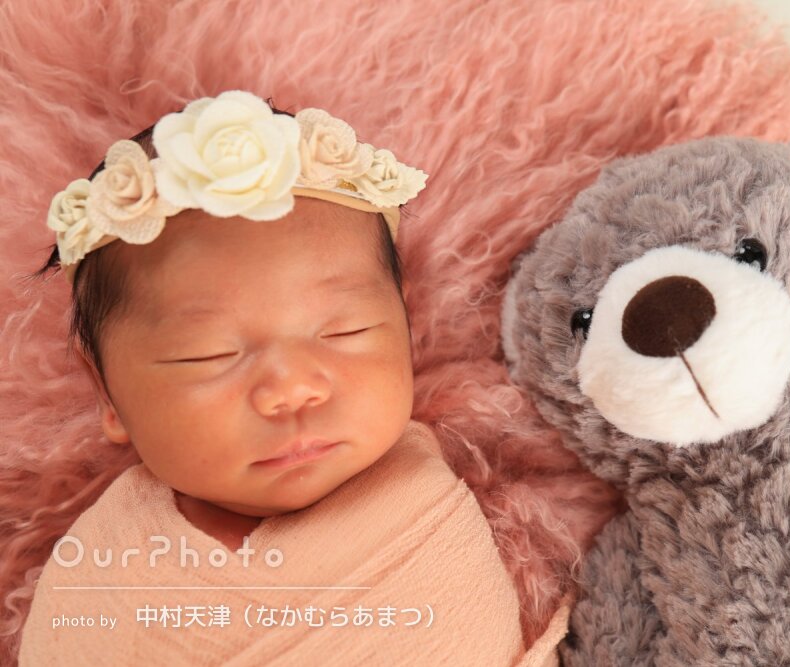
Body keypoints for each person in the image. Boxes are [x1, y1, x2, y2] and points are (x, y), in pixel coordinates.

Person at [19, 89, 569, 665]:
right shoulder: (102, 579)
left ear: (404, 323)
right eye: (207, 355)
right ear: (106, 392)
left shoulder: (432, 508)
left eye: (345, 331)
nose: (292, 390)